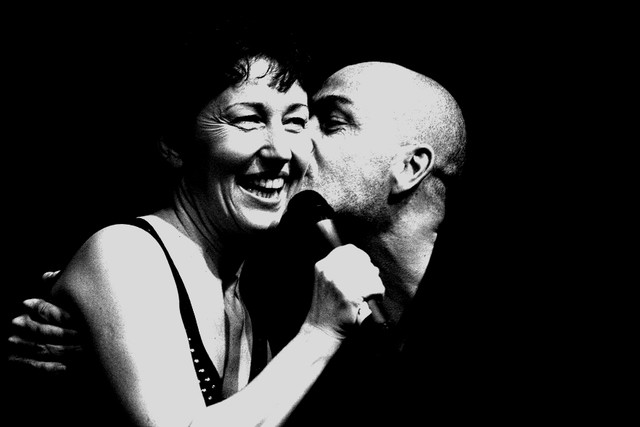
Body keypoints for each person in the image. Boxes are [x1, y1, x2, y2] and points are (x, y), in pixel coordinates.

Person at [7, 19, 385, 427]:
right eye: (248, 119)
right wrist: (319, 333)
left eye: (294, 122)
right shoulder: (127, 253)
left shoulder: (249, 297)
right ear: (175, 143)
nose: (280, 151)